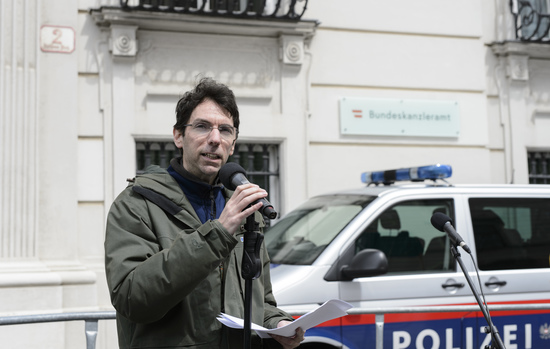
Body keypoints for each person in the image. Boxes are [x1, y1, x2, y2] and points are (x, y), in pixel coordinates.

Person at [104, 77, 304, 349]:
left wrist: (278, 323)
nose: (214, 139)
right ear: (178, 136)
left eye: (225, 130)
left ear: (232, 144)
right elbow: (132, 299)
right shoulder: (137, 204)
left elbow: (261, 301)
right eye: (202, 127)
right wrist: (217, 234)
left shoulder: (245, 212)